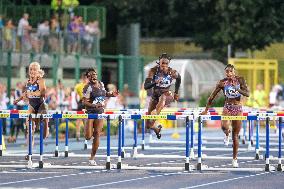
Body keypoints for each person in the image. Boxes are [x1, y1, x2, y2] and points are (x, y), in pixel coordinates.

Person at [201, 64, 249, 168]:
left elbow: (247, 94)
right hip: (227, 107)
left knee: (235, 136)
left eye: (231, 71)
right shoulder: (222, 83)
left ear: (234, 72)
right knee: (224, 126)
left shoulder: (240, 80)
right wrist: (206, 110)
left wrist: (238, 89)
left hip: (238, 108)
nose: (229, 73)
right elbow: (212, 96)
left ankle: (235, 159)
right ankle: (227, 133)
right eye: (227, 72)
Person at [82, 68, 119, 165]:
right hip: (91, 113)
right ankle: (84, 120)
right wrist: (94, 105)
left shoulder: (101, 84)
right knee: (88, 136)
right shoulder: (88, 87)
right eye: (90, 75)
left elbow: (104, 94)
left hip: (100, 112)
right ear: (88, 78)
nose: (93, 76)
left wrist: (112, 94)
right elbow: (84, 101)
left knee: (97, 134)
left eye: (94, 74)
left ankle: (92, 158)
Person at [14, 62, 49, 160]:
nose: (32, 71)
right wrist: (18, 99)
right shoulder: (28, 82)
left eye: (34, 70)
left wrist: (33, 93)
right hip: (32, 106)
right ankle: (29, 152)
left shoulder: (41, 80)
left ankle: (46, 125)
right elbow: (26, 93)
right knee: (29, 129)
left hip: (41, 106)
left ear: (38, 72)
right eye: (31, 69)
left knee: (44, 134)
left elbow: (43, 92)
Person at [144, 53, 181, 139]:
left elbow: (179, 79)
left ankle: (155, 115)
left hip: (167, 94)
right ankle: (157, 129)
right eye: (162, 63)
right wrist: (155, 82)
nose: (164, 66)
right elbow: (146, 86)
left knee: (163, 97)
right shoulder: (153, 71)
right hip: (155, 96)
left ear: (168, 64)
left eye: (166, 64)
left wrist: (176, 92)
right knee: (148, 125)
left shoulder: (172, 72)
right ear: (159, 63)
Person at [74, 73, 88, 141]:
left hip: (82, 102)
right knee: (83, 119)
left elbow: (75, 96)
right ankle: (82, 134)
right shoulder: (88, 86)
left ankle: (79, 133)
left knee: (81, 119)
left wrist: (77, 102)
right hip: (84, 102)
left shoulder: (78, 86)